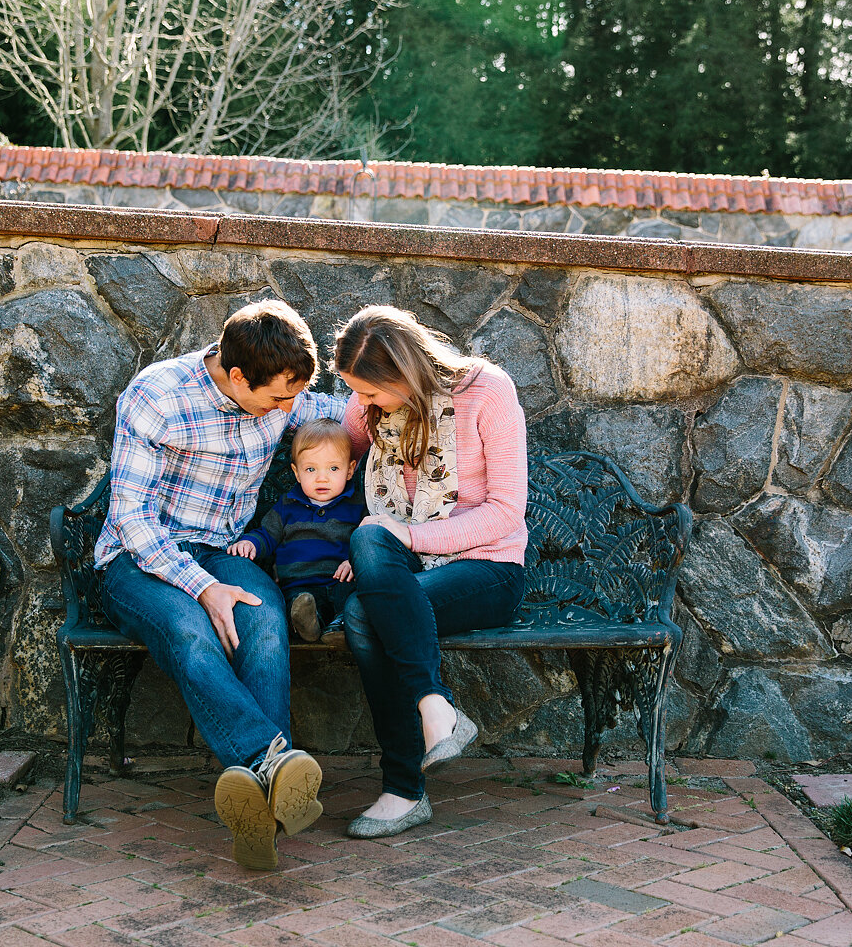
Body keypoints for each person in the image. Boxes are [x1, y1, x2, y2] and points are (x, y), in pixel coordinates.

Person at [93, 300, 345, 870]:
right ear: (236, 377)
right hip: (140, 560)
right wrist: (201, 587)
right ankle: (272, 763)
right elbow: (132, 518)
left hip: (225, 549)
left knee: (265, 622)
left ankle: (258, 814)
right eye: (279, 399)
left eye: (293, 396)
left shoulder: (280, 385)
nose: (288, 409)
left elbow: (340, 407)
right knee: (192, 633)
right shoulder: (158, 397)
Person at [333, 305, 528, 838]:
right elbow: (335, 450)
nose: (362, 405)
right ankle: (435, 707)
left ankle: (403, 787)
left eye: (371, 393)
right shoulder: (369, 408)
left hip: (486, 568)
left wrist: (412, 535)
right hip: (402, 568)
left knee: (364, 613)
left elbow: (508, 510)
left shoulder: (487, 391)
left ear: (402, 374)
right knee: (371, 533)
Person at [228, 418, 364, 643]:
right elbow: (267, 534)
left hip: (341, 581)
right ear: (297, 472)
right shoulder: (287, 506)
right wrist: (250, 543)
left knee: (352, 597)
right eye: (310, 469)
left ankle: (340, 625)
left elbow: (366, 540)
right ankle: (308, 625)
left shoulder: (357, 506)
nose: (322, 477)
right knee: (299, 603)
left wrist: (355, 560)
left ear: (350, 470)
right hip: (300, 583)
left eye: (333, 468)